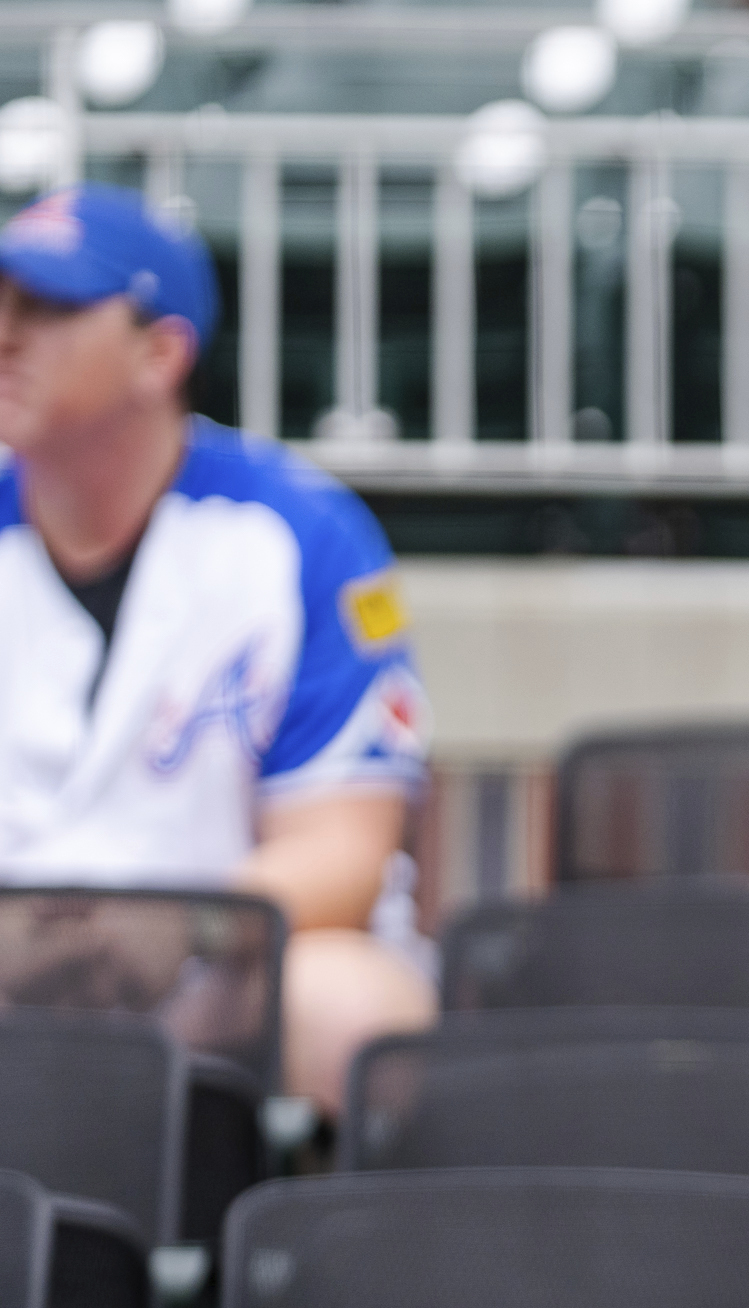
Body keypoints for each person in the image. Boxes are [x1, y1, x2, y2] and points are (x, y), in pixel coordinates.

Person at [0, 183, 433, 1110]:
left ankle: (309, 1257)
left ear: (160, 352)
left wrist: (182, 927)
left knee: (353, 1005)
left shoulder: (299, 533)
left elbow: (342, 852)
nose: (7, 335)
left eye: (48, 308)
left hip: (209, 973)